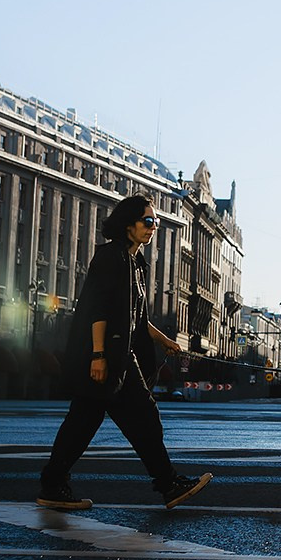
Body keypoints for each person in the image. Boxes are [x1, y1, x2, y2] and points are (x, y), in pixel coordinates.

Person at [38, 195, 210, 510]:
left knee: (104, 420)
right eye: (147, 221)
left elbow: (137, 318)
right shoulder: (110, 257)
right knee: (104, 420)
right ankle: (166, 482)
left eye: (155, 222)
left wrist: (163, 340)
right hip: (106, 355)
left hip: (120, 353)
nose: (153, 227)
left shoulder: (135, 262)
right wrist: (99, 355)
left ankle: (55, 483)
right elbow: (98, 310)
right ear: (128, 224)